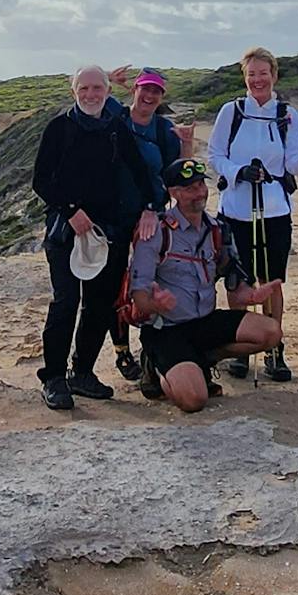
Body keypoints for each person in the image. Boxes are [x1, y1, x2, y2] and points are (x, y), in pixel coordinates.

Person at [31, 65, 156, 410]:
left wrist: (151, 206)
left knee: (99, 304)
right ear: (74, 92)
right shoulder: (59, 127)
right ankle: (54, 377)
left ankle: (82, 372)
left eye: (97, 88)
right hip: (65, 230)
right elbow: (41, 180)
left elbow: (138, 170)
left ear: (107, 92)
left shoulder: (116, 127)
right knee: (66, 302)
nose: (90, 94)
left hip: (107, 231)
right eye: (84, 88)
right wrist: (71, 210)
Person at [128, 157, 282, 412]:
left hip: (204, 322)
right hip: (167, 329)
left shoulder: (218, 230)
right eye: (190, 188)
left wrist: (251, 296)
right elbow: (139, 296)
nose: (199, 192)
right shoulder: (156, 231)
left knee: (270, 332)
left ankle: (201, 362)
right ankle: (156, 368)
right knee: (194, 401)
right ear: (174, 193)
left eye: (201, 185)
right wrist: (156, 304)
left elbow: (234, 282)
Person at [207, 46, 298, 382]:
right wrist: (239, 172)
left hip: (275, 209)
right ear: (245, 77)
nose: (257, 79)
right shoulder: (232, 111)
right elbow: (214, 155)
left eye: (262, 73)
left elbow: (295, 163)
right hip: (236, 207)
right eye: (251, 74)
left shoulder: (286, 115)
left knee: (271, 280)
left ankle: (273, 348)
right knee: (238, 279)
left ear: (274, 75)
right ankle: (240, 347)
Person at [102, 68, 195, 384]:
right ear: (135, 90)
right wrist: (107, 77)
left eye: (156, 91)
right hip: (112, 217)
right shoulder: (116, 116)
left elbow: (176, 175)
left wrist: (187, 144)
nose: (150, 96)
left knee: (145, 281)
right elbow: (85, 95)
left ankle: (149, 350)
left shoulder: (163, 130)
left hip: (149, 216)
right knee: (115, 283)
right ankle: (120, 350)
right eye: (145, 89)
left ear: (162, 97)